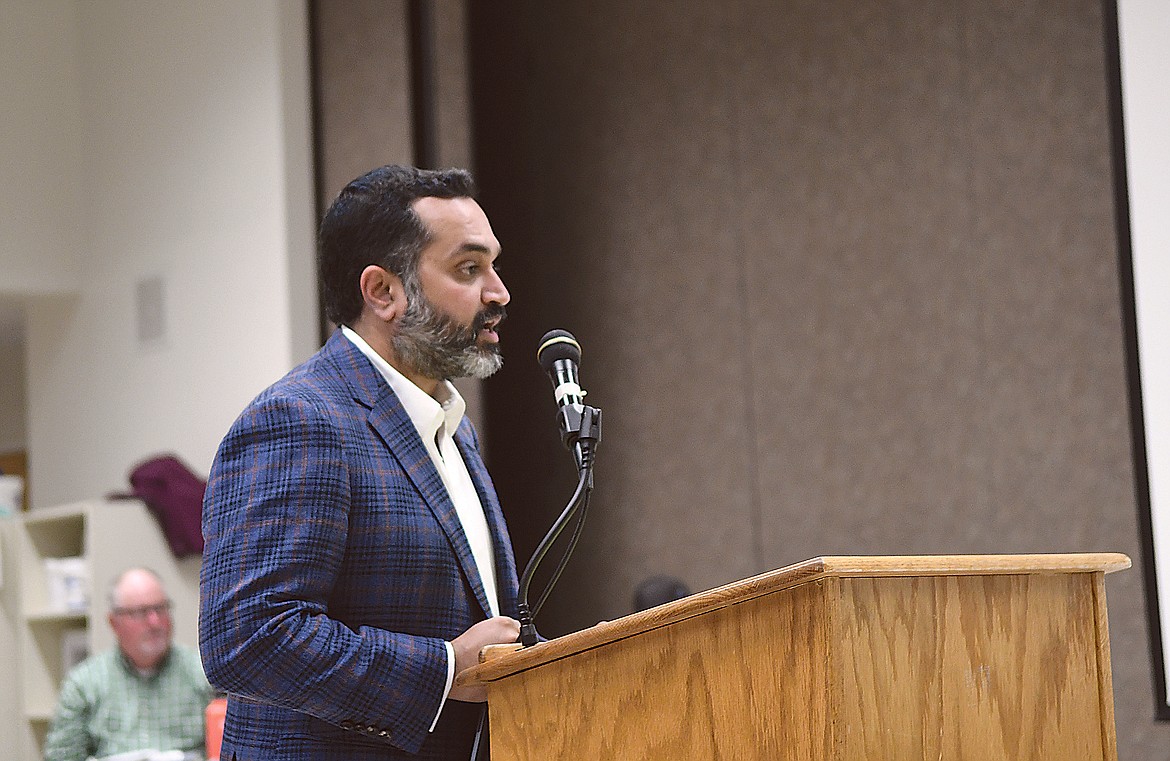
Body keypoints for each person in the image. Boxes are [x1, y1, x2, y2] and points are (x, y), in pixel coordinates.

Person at [199, 165, 522, 760]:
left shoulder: (451, 428)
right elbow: (247, 638)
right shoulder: (301, 419)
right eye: (468, 269)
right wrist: (444, 669)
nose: (498, 293)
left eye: (493, 266)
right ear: (383, 292)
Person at [43, 567, 214, 761]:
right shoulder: (84, 684)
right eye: (141, 613)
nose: (155, 622)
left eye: (160, 609)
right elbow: (60, 757)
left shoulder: (204, 673)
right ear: (114, 622)